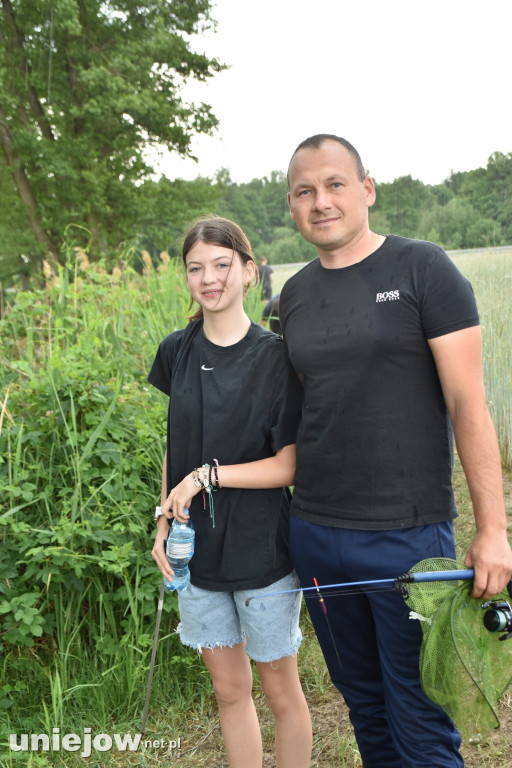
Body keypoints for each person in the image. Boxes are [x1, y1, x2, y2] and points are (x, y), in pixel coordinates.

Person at [279, 134, 512, 768]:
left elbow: (470, 407)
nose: (320, 201)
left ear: (367, 190)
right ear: (292, 206)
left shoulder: (423, 269)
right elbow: (307, 415)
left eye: (334, 184)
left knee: (422, 713)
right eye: (304, 191)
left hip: (406, 535)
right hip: (317, 534)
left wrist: (493, 529)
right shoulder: (291, 297)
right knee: (364, 705)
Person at [148, 216, 312, 768]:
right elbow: (178, 440)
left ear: (249, 269)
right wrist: (164, 520)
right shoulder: (176, 350)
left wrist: (207, 476)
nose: (209, 278)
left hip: (261, 549)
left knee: (280, 693)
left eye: (221, 265)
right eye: (196, 268)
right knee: (228, 691)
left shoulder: (276, 358)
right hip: (195, 554)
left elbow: (287, 466)